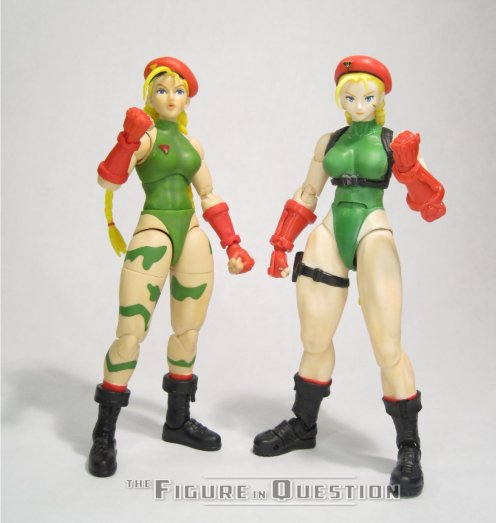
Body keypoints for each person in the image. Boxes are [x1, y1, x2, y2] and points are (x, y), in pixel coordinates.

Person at [252, 55, 445, 497]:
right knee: (314, 337)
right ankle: (303, 424)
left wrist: (411, 169)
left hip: (372, 228)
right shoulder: (330, 141)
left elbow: (430, 205)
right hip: (330, 228)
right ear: (340, 98)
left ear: (380, 99)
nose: (359, 104)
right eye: (350, 96)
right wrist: (282, 241)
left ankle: (409, 446)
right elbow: (309, 191)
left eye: (367, 97)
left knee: (387, 345)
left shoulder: (394, 143)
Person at [89, 56, 254, 477]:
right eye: (162, 90)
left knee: (188, 331)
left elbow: (210, 195)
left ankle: (177, 421)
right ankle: (104, 431)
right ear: (149, 95)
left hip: (192, 232)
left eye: (178, 91)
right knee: (131, 332)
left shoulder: (192, 144)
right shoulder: (144, 138)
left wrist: (233, 243)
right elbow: (109, 180)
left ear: (186, 99)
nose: (170, 97)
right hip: (155, 230)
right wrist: (127, 139)